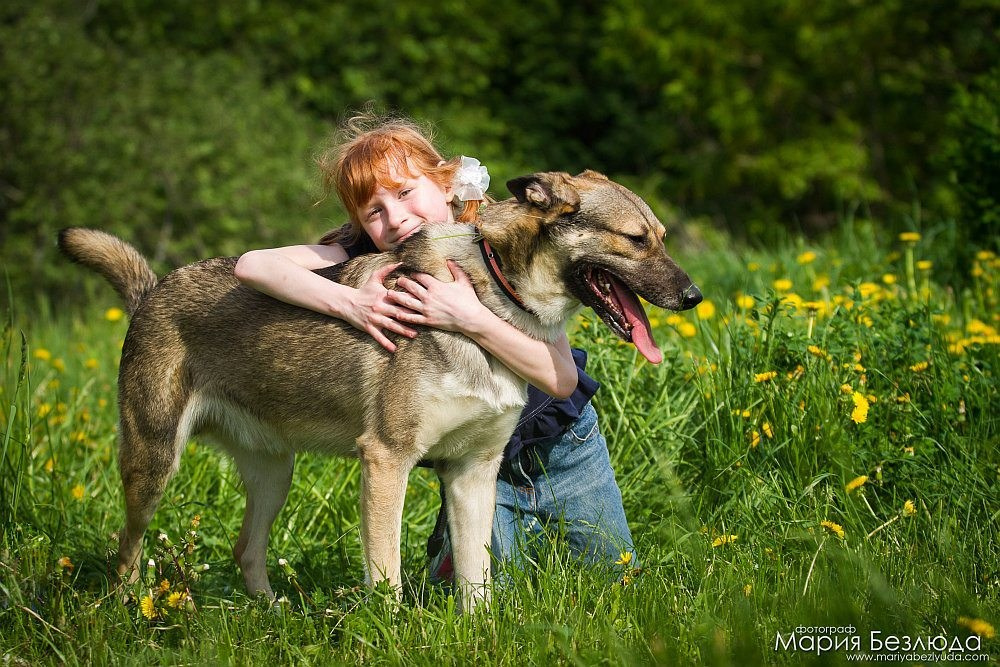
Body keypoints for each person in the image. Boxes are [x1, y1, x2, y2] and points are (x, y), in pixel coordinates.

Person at [234, 111, 638, 584]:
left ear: (446, 181)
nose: (396, 217)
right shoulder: (374, 254)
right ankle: (444, 563)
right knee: (478, 585)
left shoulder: (499, 238)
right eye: (373, 211)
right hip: (475, 460)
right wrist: (351, 302)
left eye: (406, 193)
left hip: (563, 443)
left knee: (614, 578)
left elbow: (560, 378)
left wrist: (466, 315)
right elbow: (252, 266)